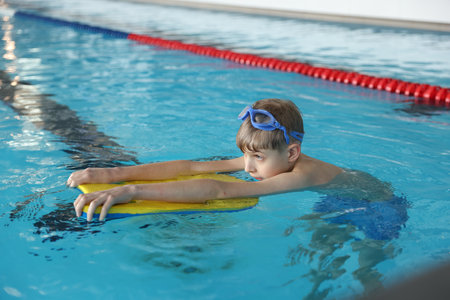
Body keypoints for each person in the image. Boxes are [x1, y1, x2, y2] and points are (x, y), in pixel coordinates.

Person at [67, 98, 345, 221]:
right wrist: (113, 175)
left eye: (257, 157)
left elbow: (218, 189)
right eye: (246, 155)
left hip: (371, 205)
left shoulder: (300, 175)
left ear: (292, 153)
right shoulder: (272, 159)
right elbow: (193, 168)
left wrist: (131, 191)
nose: (247, 166)